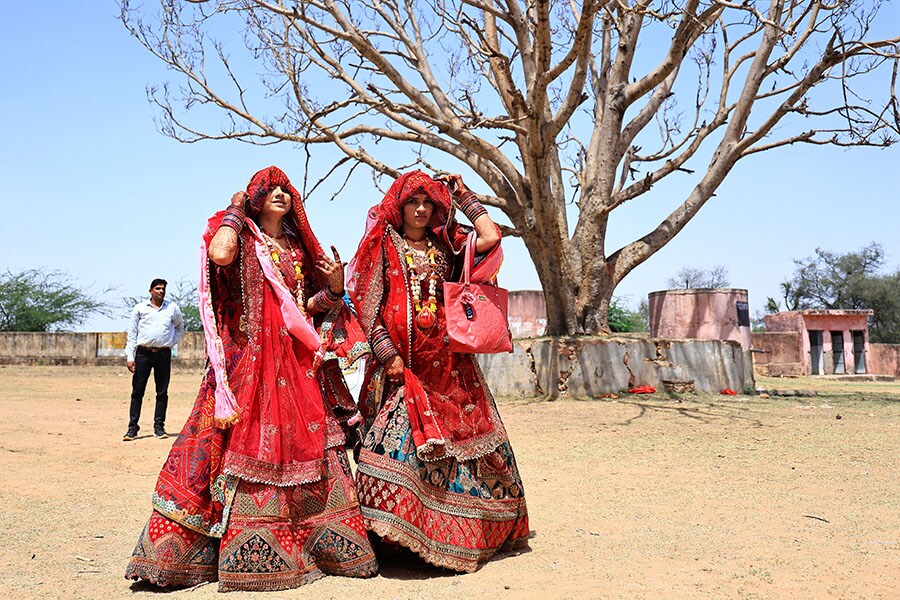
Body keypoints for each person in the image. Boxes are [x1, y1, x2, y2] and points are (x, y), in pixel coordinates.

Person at [125, 166, 377, 592]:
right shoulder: (241, 238)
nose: (280, 193)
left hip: (297, 364)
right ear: (256, 197)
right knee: (227, 444)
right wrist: (236, 210)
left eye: (286, 189)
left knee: (314, 446)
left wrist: (333, 289)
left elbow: (305, 306)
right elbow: (220, 254)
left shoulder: (297, 247)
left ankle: (320, 544)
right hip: (249, 363)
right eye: (270, 188)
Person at [347, 170, 529, 572]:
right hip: (402, 369)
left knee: (464, 447)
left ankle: (459, 536)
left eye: (428, 202)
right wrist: (387, 353)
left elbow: (491, 239)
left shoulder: (447, 245)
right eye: (413, 201)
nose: (421, 209)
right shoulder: (382, 244)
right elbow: (367, 304)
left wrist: (464, 195)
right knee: (391, 447)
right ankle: (396, 541)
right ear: (399, 205)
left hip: (451, 368)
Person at [123, 278, 185, 441]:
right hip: (143, 354)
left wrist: (171, 342)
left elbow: (180, 327)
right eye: (157, 288)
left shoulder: (172, 308)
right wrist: (130, 357)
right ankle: (132, 428)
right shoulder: (140, 308)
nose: (161, 291)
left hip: (163, 354)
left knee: (162, 392)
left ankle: (159, 427)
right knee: (137, 391)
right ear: (150, 290)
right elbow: (132, 334)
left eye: (163, 289)